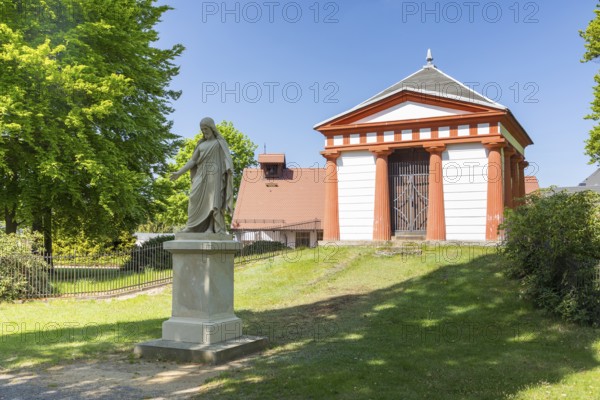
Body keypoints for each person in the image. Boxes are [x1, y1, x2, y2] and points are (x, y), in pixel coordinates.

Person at [170, 117, 234, 234]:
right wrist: (179, 172)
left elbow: (227, 160)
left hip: (215, 175)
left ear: (212, 128)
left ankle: (210, 228)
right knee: (193, 198)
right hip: (201, 174)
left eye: (206, 128)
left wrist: (227, 170)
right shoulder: (201, 145)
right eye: (202, 129)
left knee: (213, 202)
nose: (204, 131)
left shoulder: (219, 143)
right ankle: (191, 226)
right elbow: (193, 161)